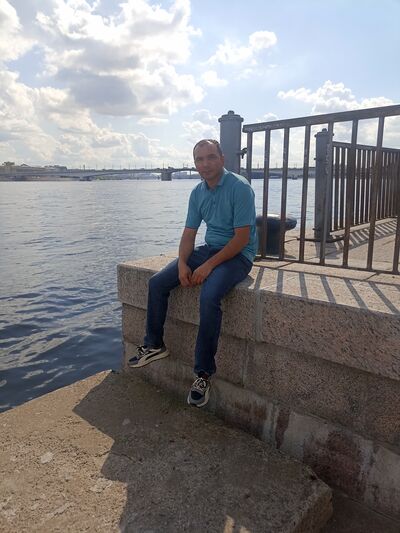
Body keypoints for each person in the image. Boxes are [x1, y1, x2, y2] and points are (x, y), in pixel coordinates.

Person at [128, 139, 257, 408]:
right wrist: (183, 264)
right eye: (200, 159)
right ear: (195, 163)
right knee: (157, 283)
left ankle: (203, 374)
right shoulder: (198, 192)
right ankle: (154, 344)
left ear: (222, 159)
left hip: (238, 256)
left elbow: (241, 239)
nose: (205, 164)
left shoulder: (240, 187)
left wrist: (208, 266)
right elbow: (189, 234)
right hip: (210, 249)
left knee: (209, 296)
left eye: (211, 157)